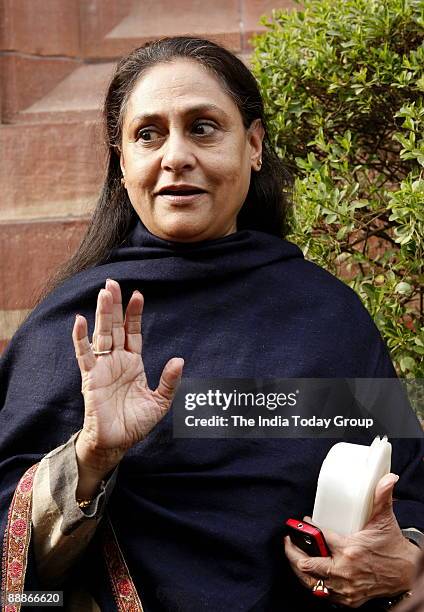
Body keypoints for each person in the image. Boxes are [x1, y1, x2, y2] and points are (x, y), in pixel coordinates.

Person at [0, 37, 423, 612]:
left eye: (203, 127)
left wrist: (409, 559)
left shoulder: (327, 318)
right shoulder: (74, 329)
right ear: (123, 163)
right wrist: (92, 457)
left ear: (252, 145)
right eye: (148, 134)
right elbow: (19, 572)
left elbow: (408, 487)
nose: (175, 155)